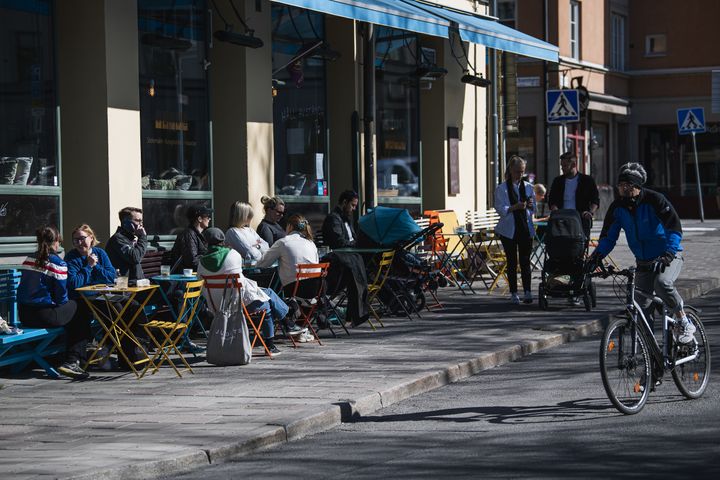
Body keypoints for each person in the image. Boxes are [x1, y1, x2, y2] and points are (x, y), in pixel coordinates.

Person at [588, 163, 696, 344]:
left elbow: (674, 228)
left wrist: (669, 252)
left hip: (668, 256)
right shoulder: (617, 208)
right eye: (620, 185)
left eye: (626, 185)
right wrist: (596, 256)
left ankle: (683, 319)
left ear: (637, 186)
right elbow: (608, 237)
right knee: (641, 309)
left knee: (662, 283)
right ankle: (651, 358)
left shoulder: (655, 200)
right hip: (643, 262)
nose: (622, 189)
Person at [198, 228, 304, 354]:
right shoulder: (233, 255)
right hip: (238, 305)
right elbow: (241, 283)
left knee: (267, 293)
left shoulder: (201, 263)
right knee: (267, 303)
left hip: (216, 307)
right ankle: (272, 342)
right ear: (223, 241)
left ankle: (287, 322)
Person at [65, 223, 150, 369]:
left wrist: (96, 266)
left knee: (133, 306)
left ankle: (136, 350)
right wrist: (89, 266)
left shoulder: (100, 253)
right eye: (75, 240)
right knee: (116, 309)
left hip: (102, 295)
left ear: (91, 238)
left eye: (82, 238)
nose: (79, 243)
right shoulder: (71, 258)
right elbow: (74, 284)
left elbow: (111, 277)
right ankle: (122, 352)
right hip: (84, 299)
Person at [17, 226, 91, 379]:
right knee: (80, 307)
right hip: (45, 316)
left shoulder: (29, 259)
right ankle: (72, 361)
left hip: (24, 314)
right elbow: (61, 298)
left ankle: (73, 359)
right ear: (56, 242)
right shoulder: (58, 263)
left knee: (74, 314)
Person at [320, 190, 370, 326]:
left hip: (350, 255)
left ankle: (356, 314)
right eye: (352, 205)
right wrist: (356, 244)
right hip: (338, 259)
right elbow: (338, 242)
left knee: (361, 270)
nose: (354, 209)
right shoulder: (334, 218)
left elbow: (351, 237)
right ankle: (355, 315)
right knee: (354, 273)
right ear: (344, 202)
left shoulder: (347, 218)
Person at [494, 155, 536, 305]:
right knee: (511, 262)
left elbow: (533, 209)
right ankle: (513, 292)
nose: (520, 175)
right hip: (509, 230)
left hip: (525, 228)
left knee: (525, 261)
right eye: (518, 171)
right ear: (511, 170)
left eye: (522, 171)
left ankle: (528, 291)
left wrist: (530, 206)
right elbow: (500, 209)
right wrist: (515, 207)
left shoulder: (529, 187)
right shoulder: (502, 188)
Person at [548, 152, 600, 242]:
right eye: (561, 165)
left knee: (579, 246)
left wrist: (590, 212)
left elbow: (595, 200)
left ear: (574, 164)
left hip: (581, 218)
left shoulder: (587, 181)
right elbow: (551, 200)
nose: (562, 168)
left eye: (564, 166)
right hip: (561, 219)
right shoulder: (558, 181)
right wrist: (555, 210)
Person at [105, 206, 147, 280]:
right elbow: (135, 258)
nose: (140, 224)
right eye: (137, 220)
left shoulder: (130, 238)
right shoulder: (118, 239)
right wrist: (142, 237)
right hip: (124, 286)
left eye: (141, 221)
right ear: (125, 222)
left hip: (137, 284)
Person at [169, 204, 212, 272]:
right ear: (199, 219)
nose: (209, 219)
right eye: (207, 216)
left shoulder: (198, 234)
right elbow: (192, 262)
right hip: (185, 277)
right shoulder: (189, 235)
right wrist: (210, 260)